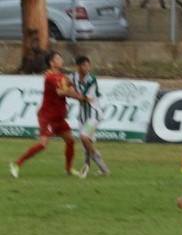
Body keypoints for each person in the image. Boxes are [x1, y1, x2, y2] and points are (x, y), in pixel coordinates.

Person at [10, 50, 80, 178]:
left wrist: (77, 94)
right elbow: (61, 92)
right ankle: (16, 163)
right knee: (43, 144)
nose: (61, 60)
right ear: (52, 63)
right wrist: (79, 96)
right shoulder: (50, 77)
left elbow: (69, 91)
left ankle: (68, 169)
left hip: (59, 118)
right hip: (48, 118)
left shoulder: (62, 76)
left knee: (70, 140)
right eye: (58, 59)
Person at [70, 55, 110, 178]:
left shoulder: (91, 79)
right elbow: (66, 86)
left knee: (84, 137)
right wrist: (67, 90)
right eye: (84, 65)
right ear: (78, 66)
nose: (87, 68)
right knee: (86, 143)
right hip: (82, 116)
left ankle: (89, 165)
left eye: (88, 65)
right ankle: (102, 169)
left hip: (94, 115)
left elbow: (85, 98)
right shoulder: (73, 77)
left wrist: (68, 93)